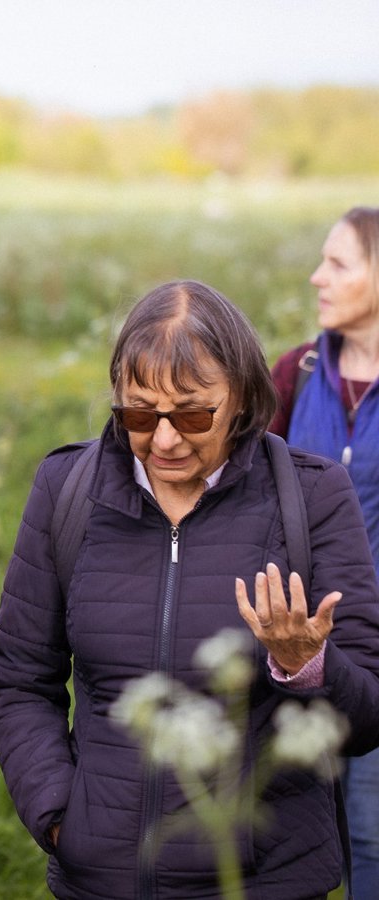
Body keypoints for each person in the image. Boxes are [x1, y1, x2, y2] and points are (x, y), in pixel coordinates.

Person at [0, 279, 379, 898]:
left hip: (264, 883)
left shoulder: (313, 496)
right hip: (100, 881)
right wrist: (62, 818)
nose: (164, 439)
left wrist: (306, 666)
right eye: (139, 412)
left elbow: (369, 715)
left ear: (244, 397)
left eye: (193, 413)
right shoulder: (65, 489)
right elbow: (17, 680)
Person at [270, 206, 379, 897]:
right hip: (294, 653)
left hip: (374, 657)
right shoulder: (296, 372)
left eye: (338, 264)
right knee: (298, 837)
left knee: (370, 835)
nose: (318, 277)